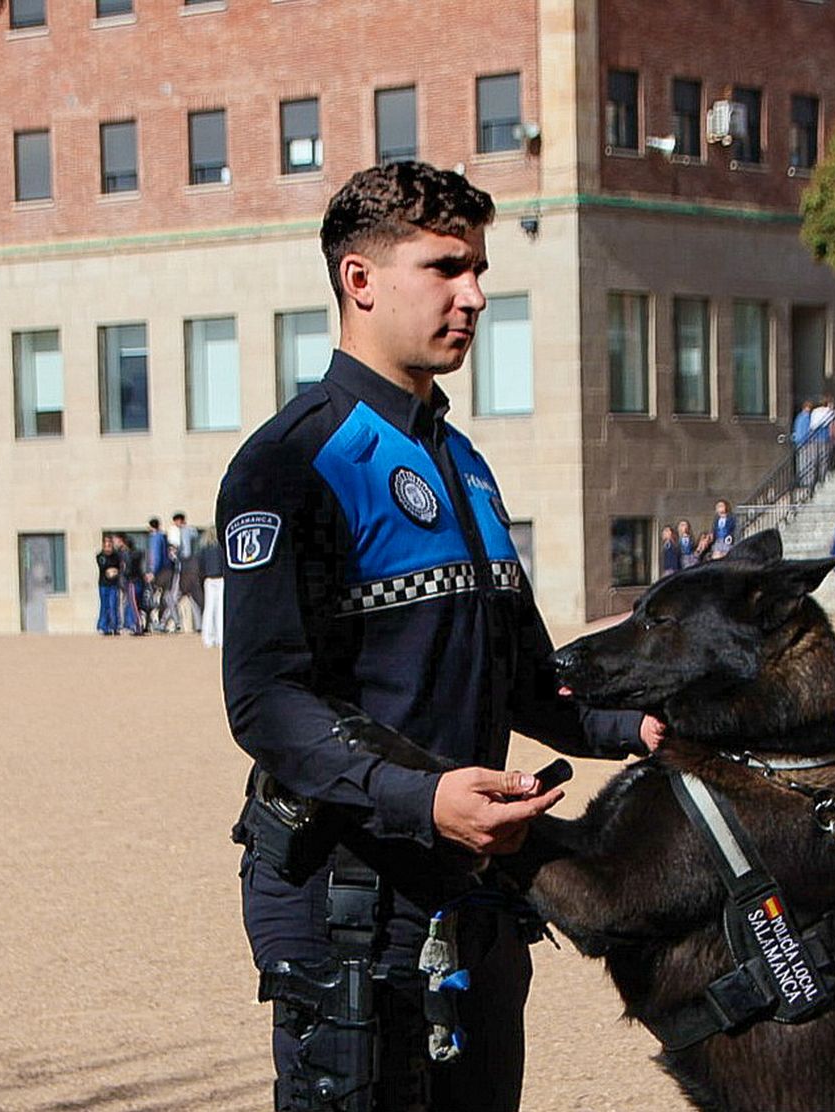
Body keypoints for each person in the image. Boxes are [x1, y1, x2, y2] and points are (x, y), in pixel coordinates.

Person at [218, 162, 660, 1112]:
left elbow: (528, 681)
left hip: (473, 890)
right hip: (346, 899)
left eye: (480, 269)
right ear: (360, 280)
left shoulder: (463, 463)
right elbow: (267, 699)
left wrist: (643, 726)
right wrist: (421, 798)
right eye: (447, 268)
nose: (476, 294)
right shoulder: (290, 463)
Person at [198, 537, 225, 649]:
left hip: (208, 579)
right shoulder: (221, 548)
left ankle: (207, 638)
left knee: (208, 609)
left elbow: (201, 566)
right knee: (220, 609)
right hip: (220, 578)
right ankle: (220, 638)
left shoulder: (204, 549)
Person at [95, 536, 121, 636]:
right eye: (106, 545)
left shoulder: (116, 556)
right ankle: (103, 627)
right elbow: (104, 566)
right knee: (105, 605)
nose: (108, 547)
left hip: (113, 584)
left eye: (109, 544)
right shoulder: (100, 556)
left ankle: (114, 626)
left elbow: (119, 567)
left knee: (113, 604)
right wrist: (111, 570)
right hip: (104, 584)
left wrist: (115, 571)